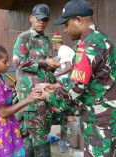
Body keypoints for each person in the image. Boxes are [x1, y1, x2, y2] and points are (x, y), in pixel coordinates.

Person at [39, 0, 116, 156]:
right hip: (108, 115)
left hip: (98, 120)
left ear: (79, 20)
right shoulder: (103, 39)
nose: (65, 30)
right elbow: (90, 77)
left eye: (66, 25)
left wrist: (50, 97)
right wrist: (58, 85)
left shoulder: (87, 46)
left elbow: (76, 87)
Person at [0, 40, 41, 157]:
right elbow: (3, 112)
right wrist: (28, 99)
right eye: (5, 61)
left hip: (2, 124)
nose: (8, 64)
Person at [13, 4, 60, 156]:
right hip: (30, 96)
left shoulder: (46, 40)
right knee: (31, 133)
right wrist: (43, 62)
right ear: (31, 18)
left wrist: (52, 67)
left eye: (45, 20)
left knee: (43, 130)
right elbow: (17, 62)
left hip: (44, 95)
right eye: (39, 19)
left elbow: (45, 67)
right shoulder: (25, 38)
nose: (42, 23)